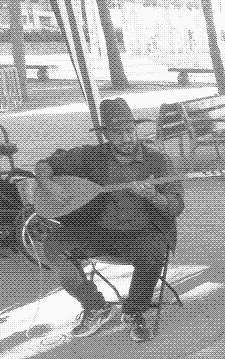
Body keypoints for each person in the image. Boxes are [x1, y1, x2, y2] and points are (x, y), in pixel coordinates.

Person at [37, 97, 184, 342]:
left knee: (155, 250)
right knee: (52, 244)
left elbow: (176, 207)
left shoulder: (158, 160)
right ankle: (95, 306)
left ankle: (134, 311)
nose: (126, 138)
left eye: (130, 130)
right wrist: (48, 185)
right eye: (118, 133)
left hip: (143, 231)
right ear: (106, 135)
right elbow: (45, 165)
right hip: (99, 229)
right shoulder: (91, 156)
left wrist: (154, 196)